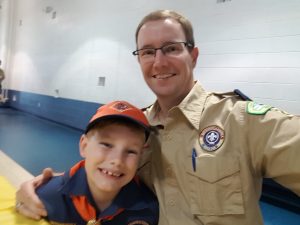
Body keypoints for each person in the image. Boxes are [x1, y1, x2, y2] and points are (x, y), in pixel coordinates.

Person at [16, 9, 300, 225]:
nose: (159, 61)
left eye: (172, 48)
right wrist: (42, 186)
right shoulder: (137, 129)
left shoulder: (241, 121)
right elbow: (106, 172)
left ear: (194, 55)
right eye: (148, 52)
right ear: (139, 60)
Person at [18, 100, 159, 225]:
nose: (117, 161)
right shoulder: (46, 196)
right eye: (106, 145)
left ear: (140, 156)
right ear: (84, 146)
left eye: (131, 151)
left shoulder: (147, 208)